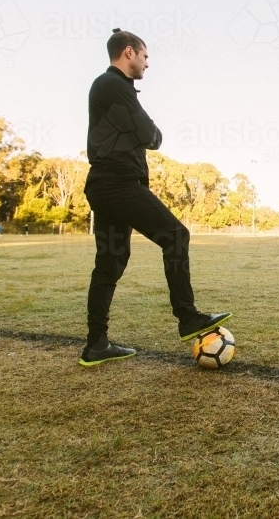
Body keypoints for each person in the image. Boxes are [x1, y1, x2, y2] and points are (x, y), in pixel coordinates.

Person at [78, 28, 231, 367]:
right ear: (129, 52)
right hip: (117, 183)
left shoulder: (112, 89)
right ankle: (188, 316)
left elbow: (144, 134)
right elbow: (152, 135)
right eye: (145, 56)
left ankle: (96, 345)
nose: (148, 63)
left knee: (110, 263)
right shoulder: (113, 85)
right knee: (176, 235)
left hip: (105, 184)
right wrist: (148, 130)